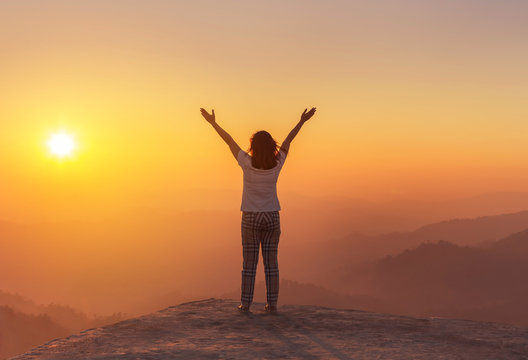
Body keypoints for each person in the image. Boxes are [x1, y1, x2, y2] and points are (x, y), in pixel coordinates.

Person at [200, 107, 317, 312]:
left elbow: (228, 140)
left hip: (250, 217)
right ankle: (271, 305)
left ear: (253, 146)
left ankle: (245, 304)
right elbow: (289, 140)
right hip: (272, 215)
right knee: (271, 264)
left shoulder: (246, 162)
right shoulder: (278, 162)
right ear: (272, 146)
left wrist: (213, 123)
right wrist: (302, 121)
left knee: (249, 264)